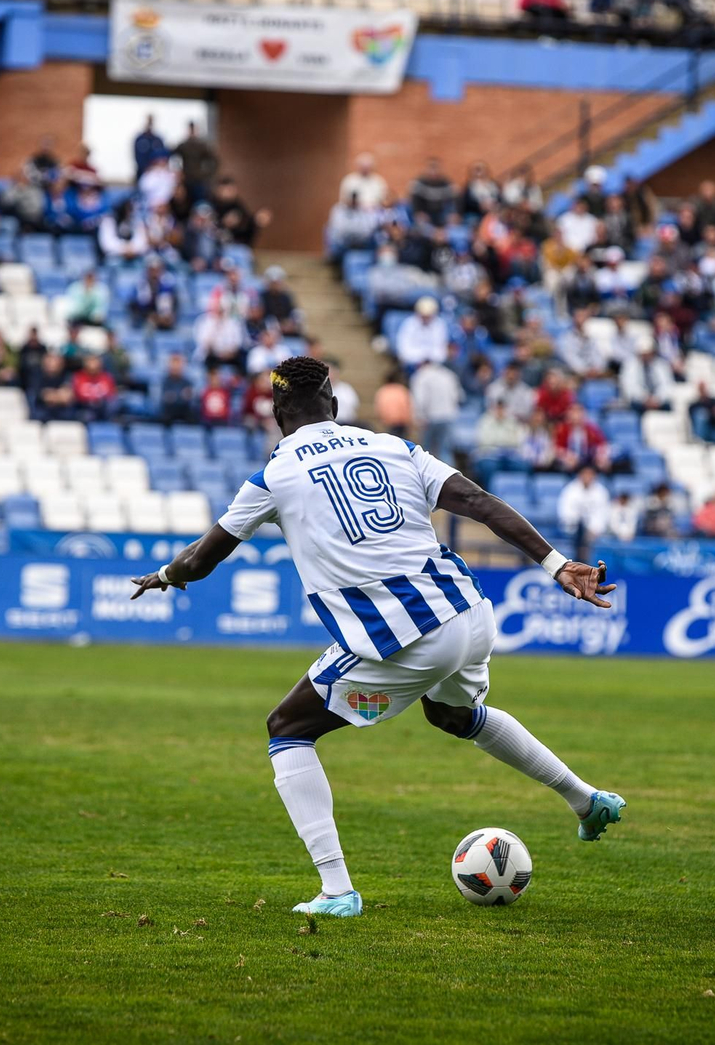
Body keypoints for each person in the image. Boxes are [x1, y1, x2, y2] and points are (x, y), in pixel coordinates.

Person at [127, 356, 624, 918]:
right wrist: (557, 564)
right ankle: (588, 801)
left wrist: (165, 576)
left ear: (276, 412)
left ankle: (338, 890)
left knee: (287, 729)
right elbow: (479, 504)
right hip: (470, 614)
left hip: (405, 638)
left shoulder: (274, 475)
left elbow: (202, 559)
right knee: (453, 716)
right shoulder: (395, 447)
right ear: (335, 408)